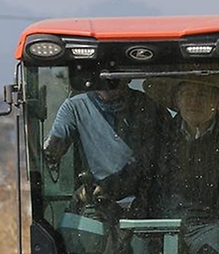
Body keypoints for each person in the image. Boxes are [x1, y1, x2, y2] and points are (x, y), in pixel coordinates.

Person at [142, 74, 219, 254]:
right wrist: (103, 187)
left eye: (201, 95)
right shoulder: (160, 138)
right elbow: (136, 172)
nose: (193, 101)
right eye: (187, 94)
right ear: (177, 101)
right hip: (163, 223)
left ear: (218, 102)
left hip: (213, 224)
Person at [43, 79, 169, 207]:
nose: (106, 83)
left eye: (112, 77)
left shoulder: (149, 107)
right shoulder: (74, 107)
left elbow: (155, 160)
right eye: (99, 76)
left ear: (127, 77)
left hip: (147, 201)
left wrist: (108, 186)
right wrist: (43, 147)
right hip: (98, 204)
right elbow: (52, 152)